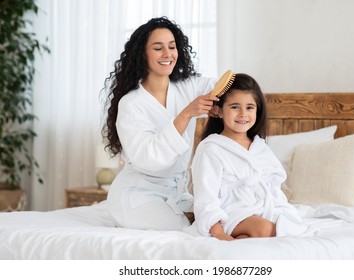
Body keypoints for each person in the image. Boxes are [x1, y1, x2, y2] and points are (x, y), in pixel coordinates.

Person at [102, 17, 218, 231]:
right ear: (142, 54)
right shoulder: (131, 104)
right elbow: (149, 158)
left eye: (172, 47)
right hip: (137, 196)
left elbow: (224, 86)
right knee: (184, 229)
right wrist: (187, 114)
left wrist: (228, 103)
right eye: (158, 48)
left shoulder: (186, 87)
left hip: (176, 194)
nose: (168, 54)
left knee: (218, 217)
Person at [191, 73, 308, 240]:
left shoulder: (260, 147)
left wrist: (281, 209)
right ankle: (249, 234)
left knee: (292, 226)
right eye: (235, 107)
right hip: (230, 211)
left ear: (257, 110)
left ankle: (245, 238)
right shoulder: (211, 148)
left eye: (249, 107)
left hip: (262, 208)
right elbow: (205, 195)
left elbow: (273, 187)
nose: (243, 114)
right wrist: (218, 232)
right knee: (265, 229)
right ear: (219, 110)